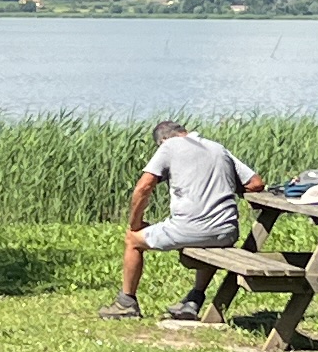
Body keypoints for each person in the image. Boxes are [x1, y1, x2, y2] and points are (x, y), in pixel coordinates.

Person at [102, 119, 259, 321]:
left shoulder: (169, 146)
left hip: (187, 229)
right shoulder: (217, 148)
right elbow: (256, 183)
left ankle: (126, 303)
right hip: (225, 232)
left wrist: (135, 223)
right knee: (208, 241)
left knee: (133, 240)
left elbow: (143, 187)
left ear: (163, 140)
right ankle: (194, 299)